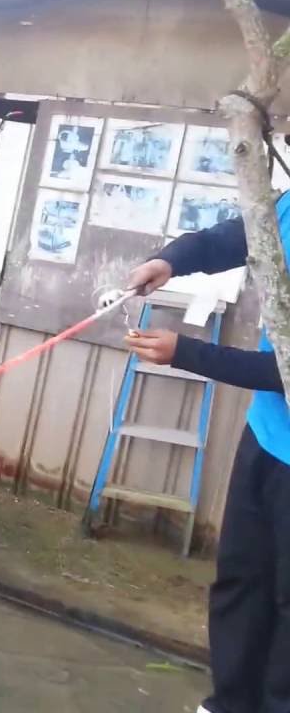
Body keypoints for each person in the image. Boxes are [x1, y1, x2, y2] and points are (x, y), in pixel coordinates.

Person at [124, 198, 290, 713]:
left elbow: (284, 369)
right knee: (241, 580)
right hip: (266, 435)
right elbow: (228, 239)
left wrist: (187, 353)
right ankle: (230, 703)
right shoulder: (287, 205)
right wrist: (169, 260)